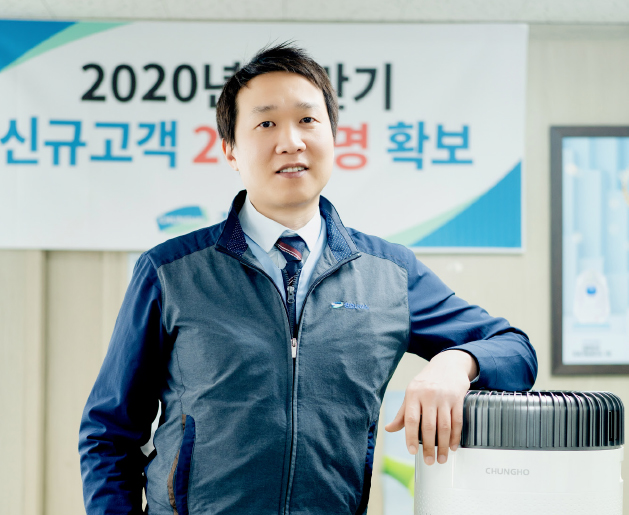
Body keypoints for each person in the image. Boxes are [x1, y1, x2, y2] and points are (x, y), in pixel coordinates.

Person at [79, 43, 537, 515]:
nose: (291, 141)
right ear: (230, 150)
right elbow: (108, 435)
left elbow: (515, 350)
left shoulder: (390, 275)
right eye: (266, 124)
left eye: (307, 120)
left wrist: (456, 363)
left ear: (335, 138)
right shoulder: (171, 272)